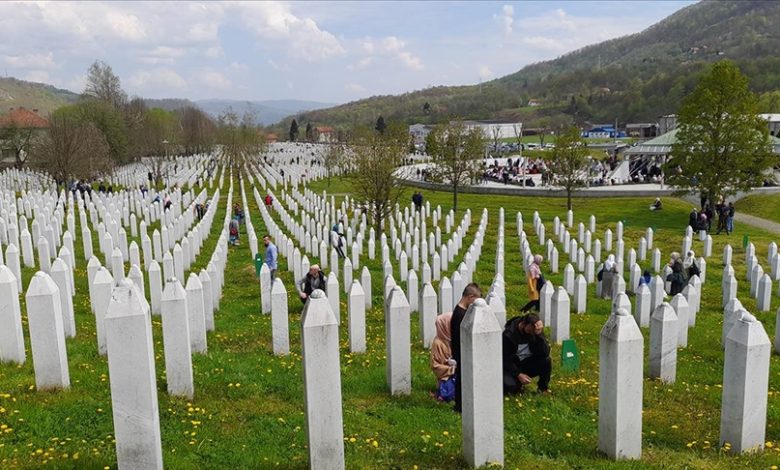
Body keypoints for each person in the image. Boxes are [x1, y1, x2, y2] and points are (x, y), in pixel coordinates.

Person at [450, 283, 482, 413]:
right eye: (476, 299)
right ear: (470, 297)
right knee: (462, 378)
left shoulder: (461, 311)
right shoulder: (460, 314)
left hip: (461, 350)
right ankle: (459, 406)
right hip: (461, 351)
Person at [502, 313, 552, 395]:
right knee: (510, 387)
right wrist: (518, 374)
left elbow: (545, 353)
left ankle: (543, 388)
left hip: (527, 363)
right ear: (522, 325)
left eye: (534, 331)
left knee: (546, 361)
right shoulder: (509, 335)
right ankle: (517, 385)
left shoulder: (535, 331)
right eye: (530, 330)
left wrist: (539, 335)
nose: (532, 333)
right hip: (513, 366)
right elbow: (505, 359)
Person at [430, 312, 456, 402]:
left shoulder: (456, 338)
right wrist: (452, 369)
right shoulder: (438, 343)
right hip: (447, 377)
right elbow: (435, 366)